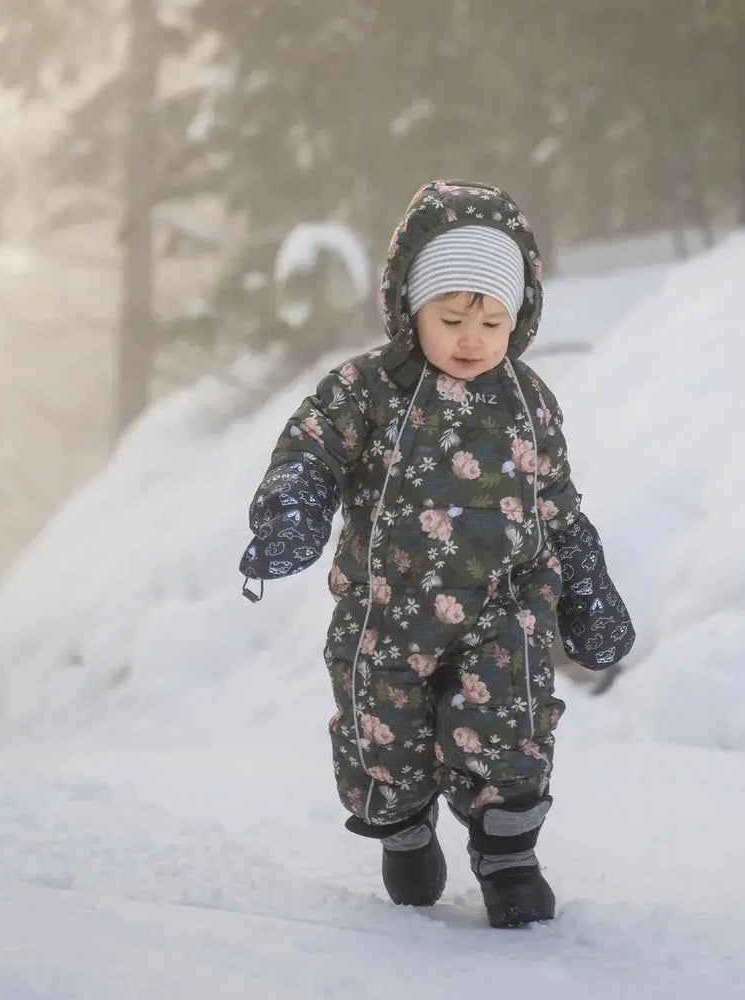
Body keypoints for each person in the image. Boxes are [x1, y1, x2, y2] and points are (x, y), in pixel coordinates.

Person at [239, 180, 634, 927]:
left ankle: (509, 856)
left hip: (503, 607)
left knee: (510, 724)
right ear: (408, 308)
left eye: (493, 319)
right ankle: (405, 827)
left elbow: (555, 499)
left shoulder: (530, 399)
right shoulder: (367, 389)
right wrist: (293, 508)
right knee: (383, 732)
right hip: (388, 608)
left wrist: (586, 581)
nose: (471, 337)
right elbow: (310, 450)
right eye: (450, 317)